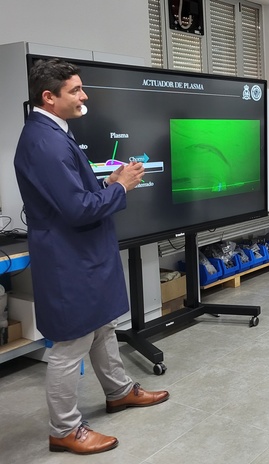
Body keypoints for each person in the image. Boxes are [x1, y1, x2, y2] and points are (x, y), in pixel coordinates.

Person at [14, 58, 169, 455]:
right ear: (49, 98)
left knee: (101, 327)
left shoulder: (54, 133)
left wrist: (109, 181)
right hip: (69, 259)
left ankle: (118, 392)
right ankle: (64, 430)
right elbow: (77, 209)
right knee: (70, 344)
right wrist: (122, 189)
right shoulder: (44, 142)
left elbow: (73, 192)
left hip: (84, 253)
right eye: (75, 90)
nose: (84, 96)